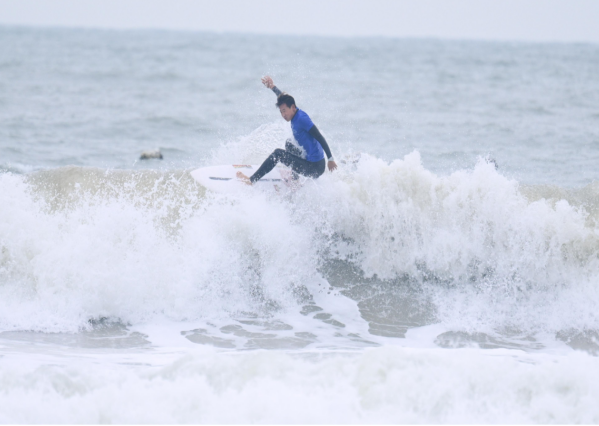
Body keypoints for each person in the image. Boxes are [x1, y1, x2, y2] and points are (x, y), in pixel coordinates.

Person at [236, 76, 337, 185]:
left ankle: (251, 181)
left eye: (284, 111)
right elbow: (283, 99)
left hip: (315, 168)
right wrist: (272, 87)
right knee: (289, 144)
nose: (283, 115)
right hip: (309, 160)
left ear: (293, 107)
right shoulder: (294, 112)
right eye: (281, 112)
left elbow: (319, 137)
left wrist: (330, 159)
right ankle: (295, 179)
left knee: (278, 154)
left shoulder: (302, 119)